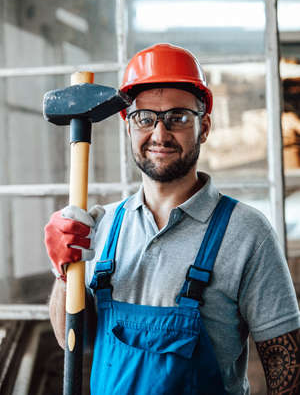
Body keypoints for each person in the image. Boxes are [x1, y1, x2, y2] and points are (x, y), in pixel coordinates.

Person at [45, 43, 300, 395]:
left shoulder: (247, 232)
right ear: (128, 126)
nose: (160, 134)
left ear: (204, 126)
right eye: (145, 118)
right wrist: (64, 271)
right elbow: (73, 340)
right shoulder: (99, 226)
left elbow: (285, 369)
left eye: (178, 117)